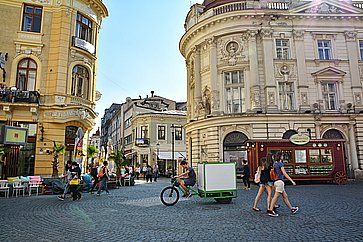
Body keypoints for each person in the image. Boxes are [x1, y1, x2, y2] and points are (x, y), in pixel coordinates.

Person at [267, 152, 299, 217]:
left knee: (285, 196)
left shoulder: (274, 164)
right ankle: (271, 210)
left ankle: (292, 209)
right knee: (276, 197)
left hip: (275, 182)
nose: (283, 157)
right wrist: (291, 181)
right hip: (280, 182)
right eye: (282, 156)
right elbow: (284, 173)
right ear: (280, 156)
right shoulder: (280, 164)